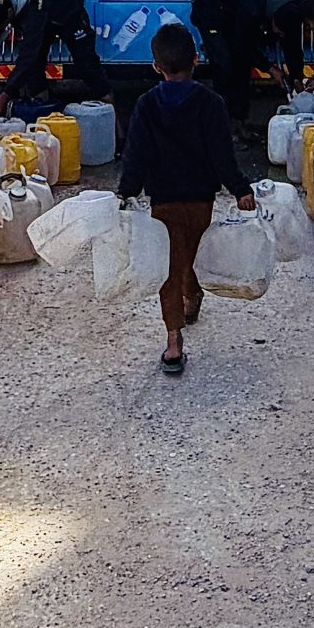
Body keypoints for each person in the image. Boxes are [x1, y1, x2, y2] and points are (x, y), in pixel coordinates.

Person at [117, 22, 255, 376]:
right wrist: (240, 189)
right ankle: (191, 298)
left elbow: (136, 155)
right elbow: (223, 156)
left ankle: (173, 339)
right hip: (200, 200)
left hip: (163, 200)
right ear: (197, 59)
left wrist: (126, 192)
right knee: (189, 253)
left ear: (155, 66)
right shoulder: (211, 104)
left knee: (171, 264)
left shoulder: (146, 106)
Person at [189, 0, 314, 130]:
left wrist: (297, 78)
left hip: (236, 1)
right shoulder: (253, 9)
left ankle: (240, 120)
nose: (278, 36)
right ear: (272, 22)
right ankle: (224, 125)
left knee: (242, 64)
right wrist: (269, 68)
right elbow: (242, 45)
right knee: (226, 63)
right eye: (277, 32)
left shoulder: (291, 8)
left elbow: (292, 45)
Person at [0, 0, 111, 112]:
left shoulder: (34, 10)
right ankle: (42, 108)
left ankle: (111, 111)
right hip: (43, 16)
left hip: (68, 12)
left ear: (9, 13)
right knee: (34, 72)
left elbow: (28, 56)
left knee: (87, 65)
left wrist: (4, 96)